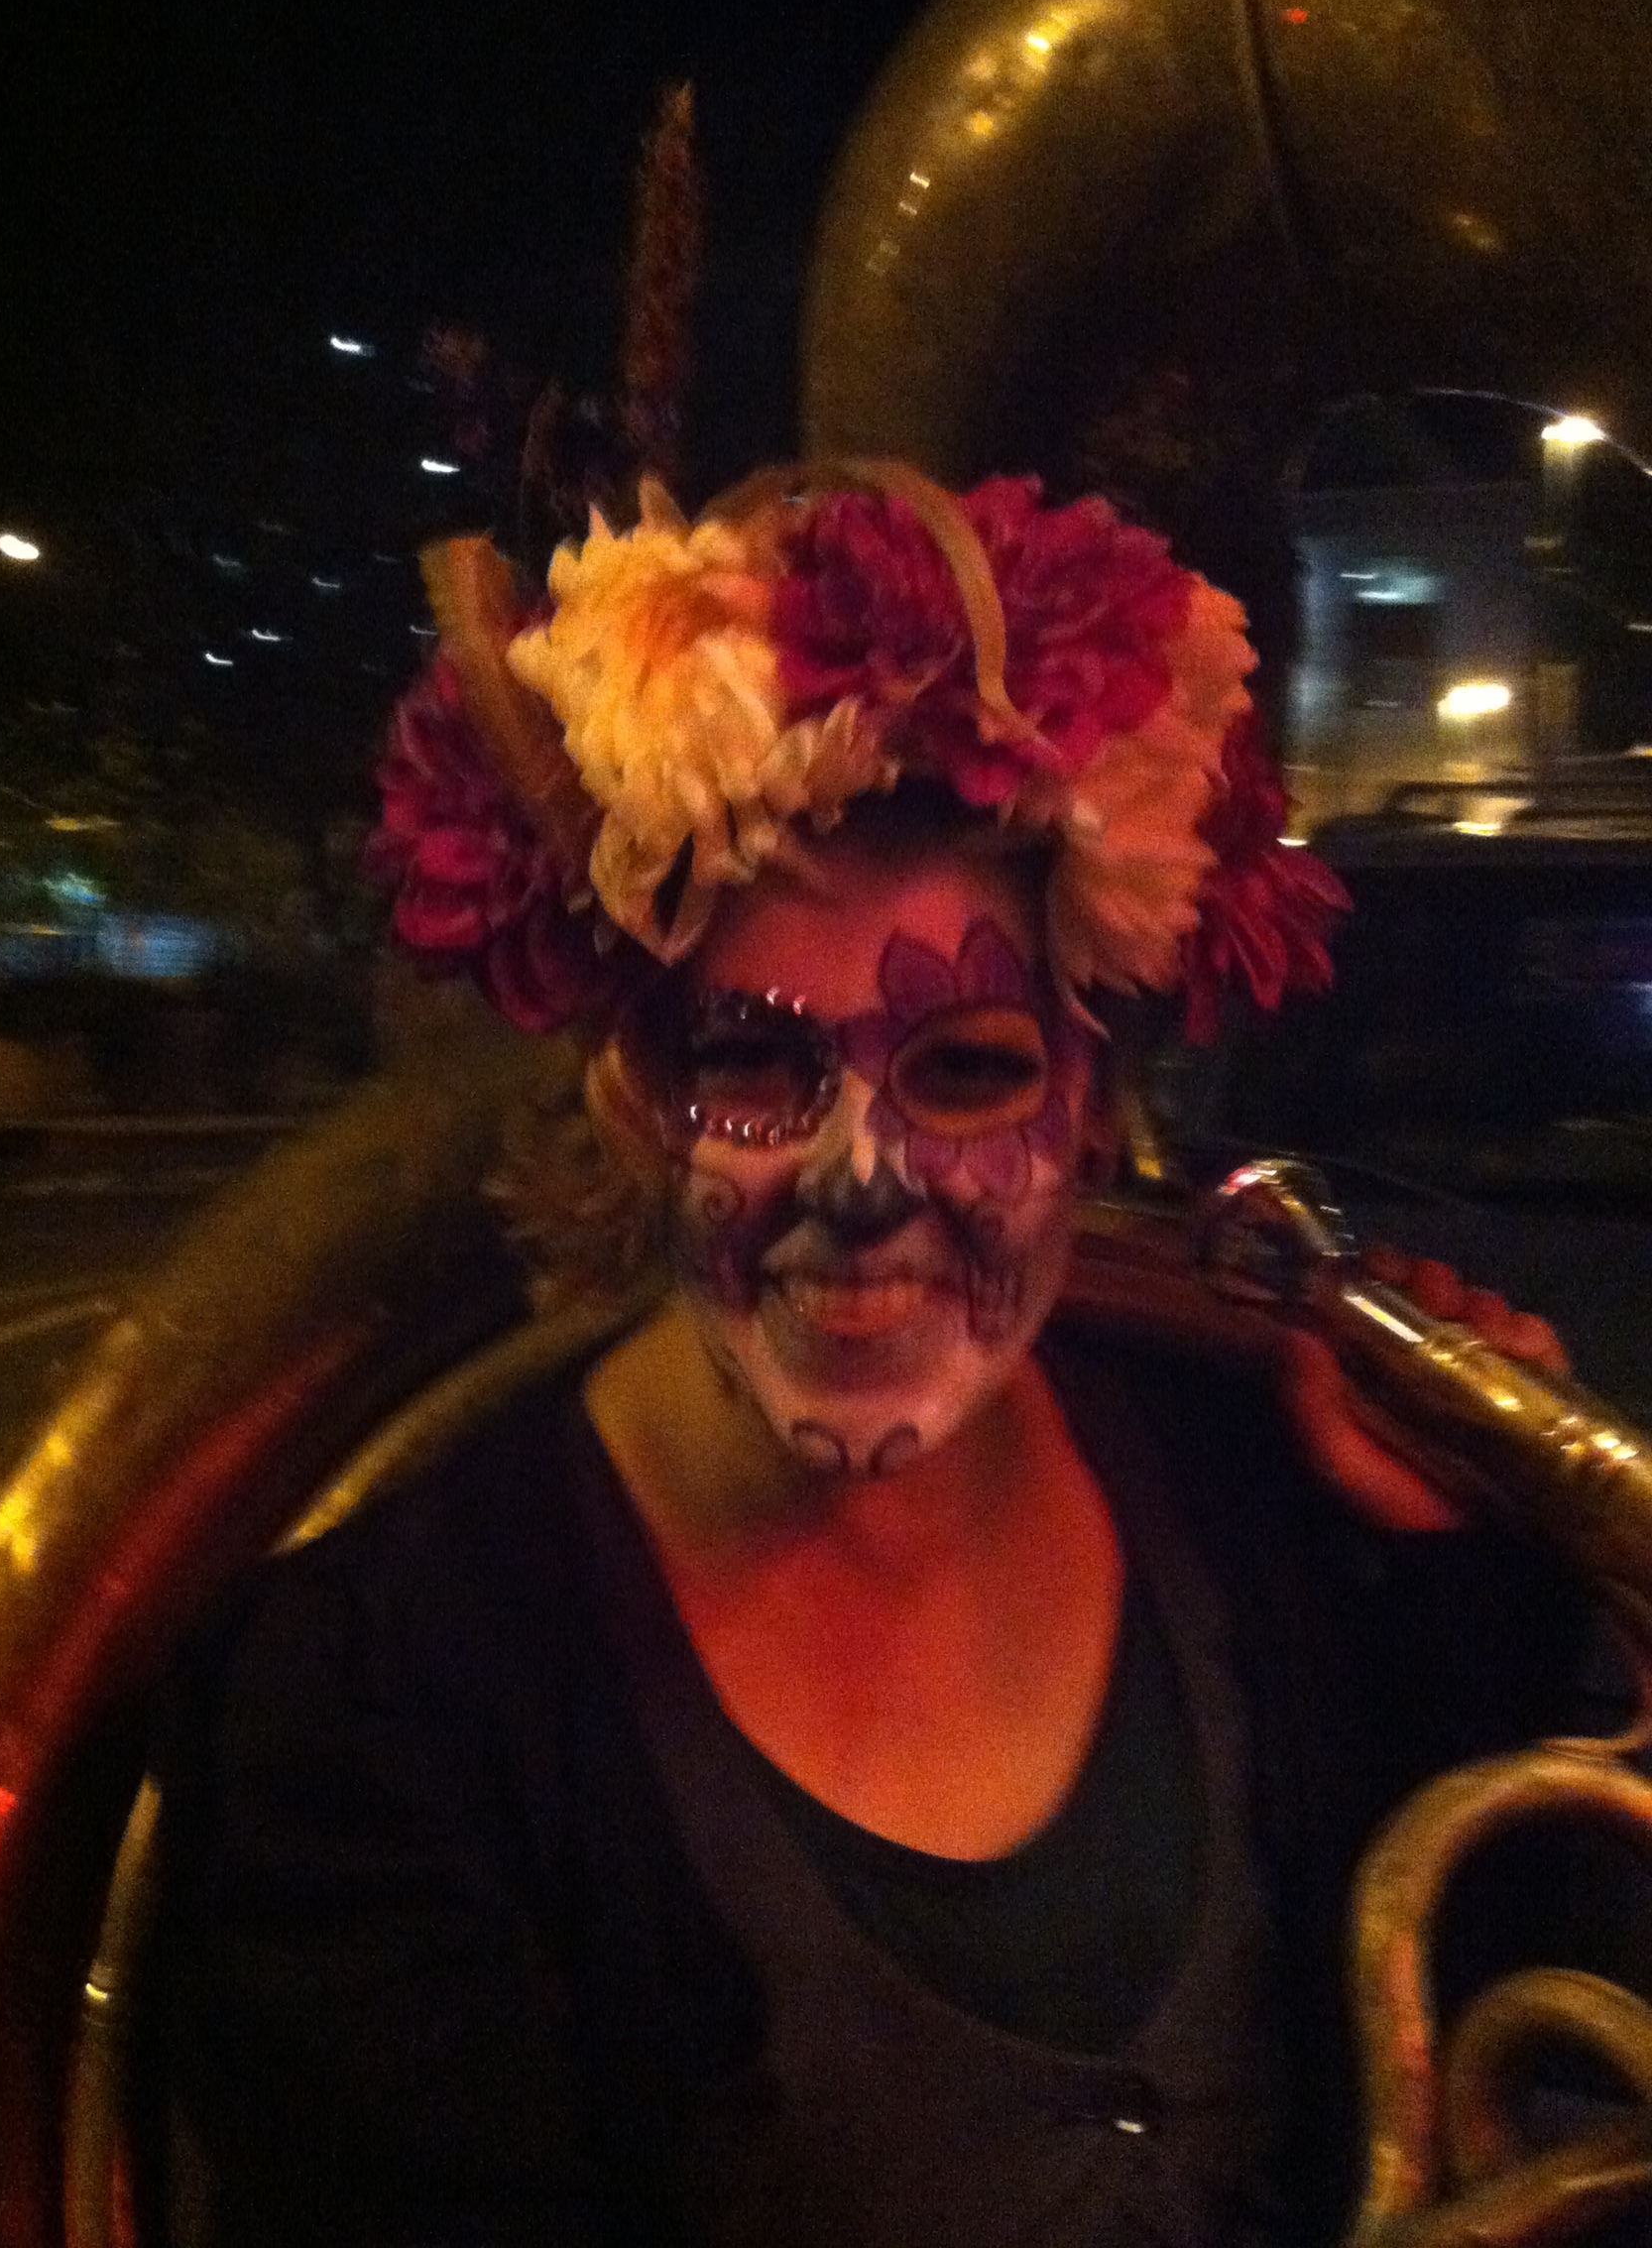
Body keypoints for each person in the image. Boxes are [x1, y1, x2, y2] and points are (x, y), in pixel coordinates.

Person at [157, 463, 1613, 2247]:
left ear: (1089, 1108)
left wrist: (1464, 1564)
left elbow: (1494, 2035)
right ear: (640, 1098)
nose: (865, 1184)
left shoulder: (1253, 1503)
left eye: (968, 1069)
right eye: (757, 1066)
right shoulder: (382, 1693)